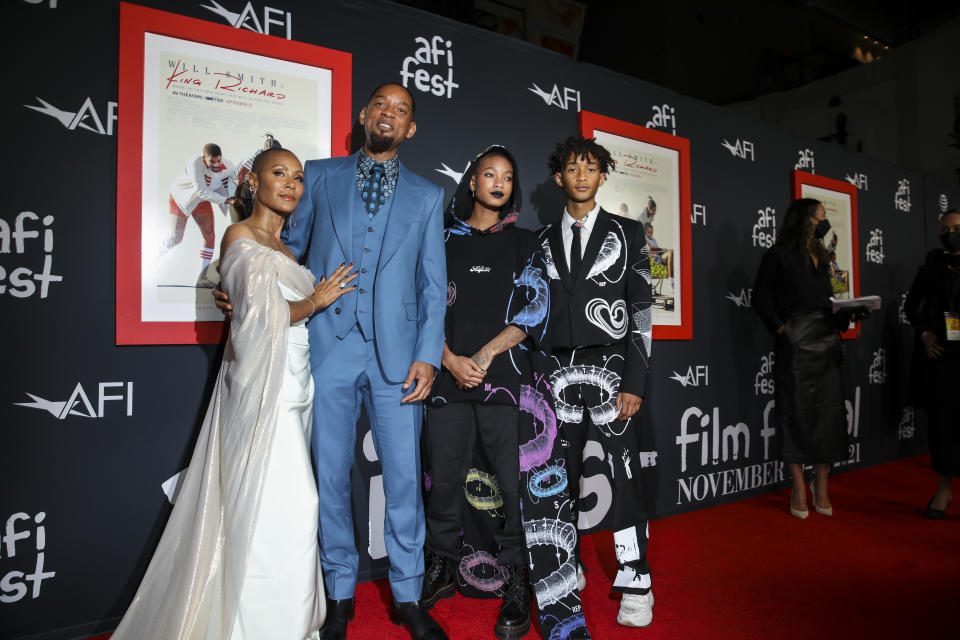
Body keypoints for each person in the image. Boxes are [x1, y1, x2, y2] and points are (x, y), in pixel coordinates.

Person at [219, 83, 447, 640]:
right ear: (363, 115)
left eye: (402, 111)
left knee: (401, 480)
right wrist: (241, 287)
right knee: (330, 478)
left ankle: (410, 597)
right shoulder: (317, 175)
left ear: (410, 128)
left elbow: (433, 286)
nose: (389, 115)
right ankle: (339, 594)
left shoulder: (428, 196)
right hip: (328, 345)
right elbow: (282, 248)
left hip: (399, 358)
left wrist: (427, 356)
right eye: (381, 106)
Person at [113, 148, 356, 640]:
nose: (289, 184)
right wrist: (317, 299)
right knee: (294, 504)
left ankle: (276, 620)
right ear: (253, 183)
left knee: (276, 508)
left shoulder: (288, 250)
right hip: (261, 389)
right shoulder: (239, 236)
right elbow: (258, 318)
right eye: (278, 173)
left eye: (296, 177)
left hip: (294, 382)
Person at [421, 145, 546, 640]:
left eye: (508, 177)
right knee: (444, 479)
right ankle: (441, 565)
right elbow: (420, 306)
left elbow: (536, 307)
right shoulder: (441, 240)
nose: (498, 182)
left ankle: (518, 580)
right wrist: (450, 359)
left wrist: (486, 355)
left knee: (513, 486)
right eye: (489, 174)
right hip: (447, 377)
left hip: (506, 379)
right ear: (472, 182)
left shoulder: (525, 243)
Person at [538, 136, 654, 629]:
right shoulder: (540, 240)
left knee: (624, 479)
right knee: (556, 480)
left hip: (612, 371)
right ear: (559, 177)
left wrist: (635, 380)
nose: (581, 174)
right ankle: (568, 568)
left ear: (603, 176)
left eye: (590, 167)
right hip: (555, 375)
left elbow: (642, 314)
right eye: (571, 167)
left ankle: (637, 580)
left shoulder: (628, 233)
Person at [752, 198, 866, 519]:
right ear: (802, 219)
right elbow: (760, 298)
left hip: (827, 341)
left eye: (825, 219)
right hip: (796, 342)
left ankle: (823, 485)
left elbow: (826, 301)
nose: (822, 224)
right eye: (819, 218)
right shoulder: (778, 254)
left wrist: (849, 315)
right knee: (796, 413)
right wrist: (782, 329)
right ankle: (799, 487)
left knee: (828, 415)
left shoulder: (822, 256)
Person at [904, 208, 960, 518]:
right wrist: (925, 335)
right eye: (944, 228)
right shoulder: (932, 267)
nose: (950, 232)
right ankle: (943, 489)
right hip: (941, 358)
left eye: (956, 227)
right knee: (942, 426)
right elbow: (911, 306)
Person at [163, 143, 238, 288]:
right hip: (182, 198)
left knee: (209, 236)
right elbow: (202, 191)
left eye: (218, 161)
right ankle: (153, 260)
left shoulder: (228, 165)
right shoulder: (194, 163)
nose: (216, 165)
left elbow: (234, 183)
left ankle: (201, 278)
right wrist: (226, 200)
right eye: (212, 161)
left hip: (203, 200)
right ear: (204, 158)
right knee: (176, 238)